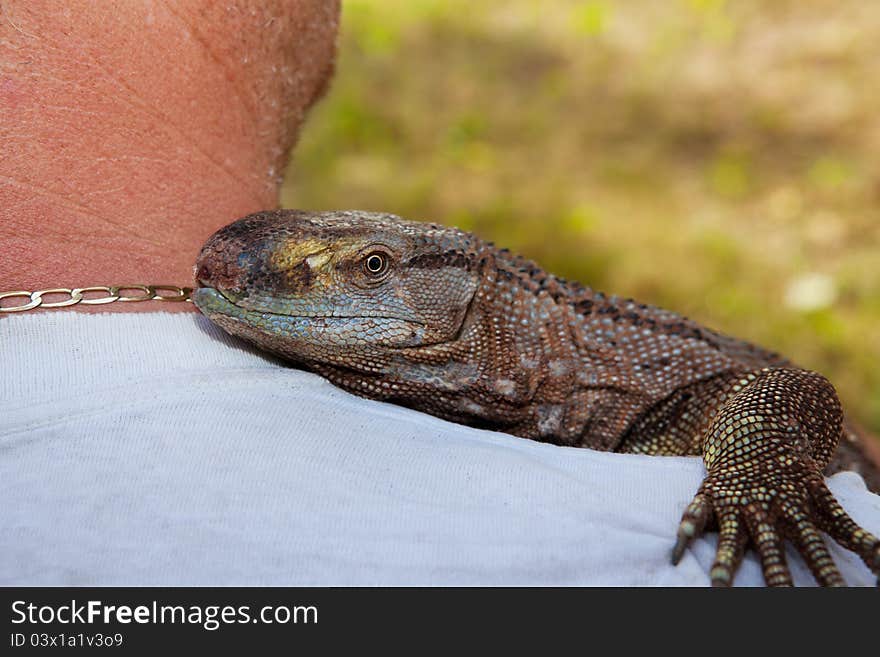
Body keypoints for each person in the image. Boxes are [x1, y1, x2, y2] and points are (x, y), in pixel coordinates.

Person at [1, 1, 877, 586]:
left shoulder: (624, 383)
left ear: (462, 296)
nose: (317, 280)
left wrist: (755, 473)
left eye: (370, 268)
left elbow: (789, 392)